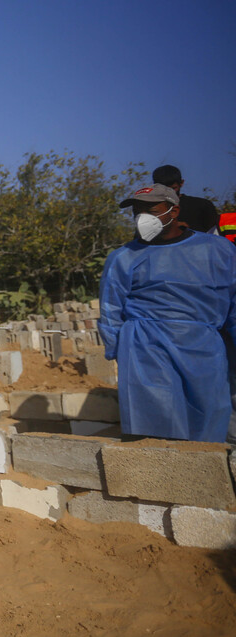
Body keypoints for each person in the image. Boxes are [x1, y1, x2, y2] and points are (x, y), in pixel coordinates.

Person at [99, 183, 236, 443]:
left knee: (208, 422)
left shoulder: (219, 251)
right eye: (136, 211)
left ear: (173, 211)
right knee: (155, 428)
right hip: (145, 349)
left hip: (203, 348)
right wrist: (119, 351)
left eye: (150, 209)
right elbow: (110, 311)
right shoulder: (124, 258)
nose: (142, 217)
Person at [151, 165, 221, 233]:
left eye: (173, 188)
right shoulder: (148, 208)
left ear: (181, 183)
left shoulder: (202, 206)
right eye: (164, 190)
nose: (169, 193)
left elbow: (214, 236)